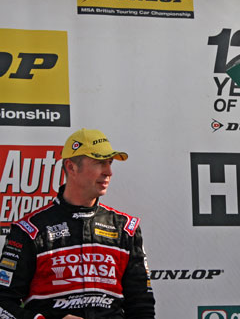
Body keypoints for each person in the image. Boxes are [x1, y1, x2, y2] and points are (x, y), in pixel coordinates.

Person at [0, 128, 156, 319]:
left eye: (110, 163)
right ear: (72, 167)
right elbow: (3, 304)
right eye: (99, 163)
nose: (109, 172)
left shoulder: (125, 228)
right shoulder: (30, 230)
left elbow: (142, 307)